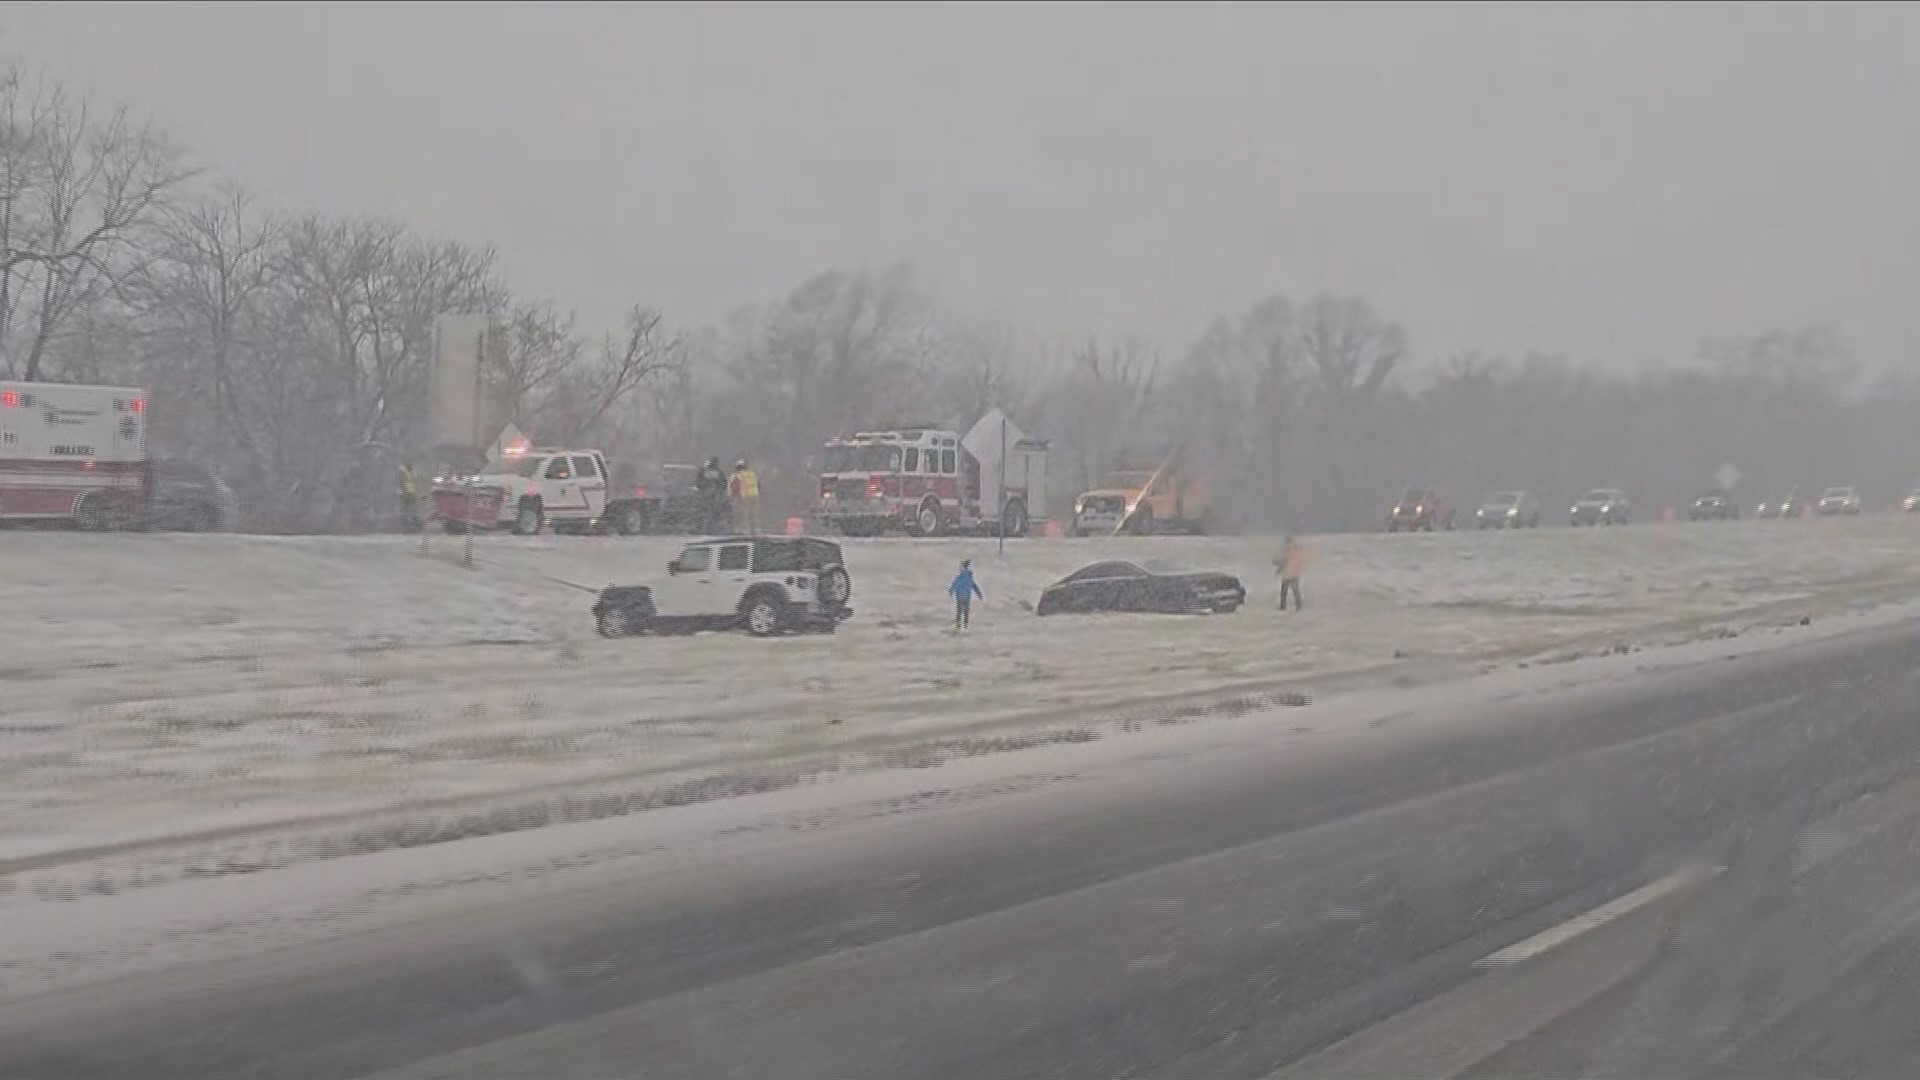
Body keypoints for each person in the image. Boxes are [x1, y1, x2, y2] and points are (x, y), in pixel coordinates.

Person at [729, 458, 761, 534]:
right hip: (754, 496)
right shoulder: (752, 474)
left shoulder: (737, 475)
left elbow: (735, 487)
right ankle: (755, 530)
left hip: (744, 496)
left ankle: (744, 530)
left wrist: (732, 498)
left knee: (743, 514)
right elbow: (758, 485)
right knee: (753, 514)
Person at [1275, 534, 1307, 611]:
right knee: (1296, 591)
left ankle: (1283, 606)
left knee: (1284, 592)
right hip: (1295, 573)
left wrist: (1278, 568)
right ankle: (1299, 605)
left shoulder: (1287, 550)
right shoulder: (1296, 549)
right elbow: (1299, 561)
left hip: (1287, 574)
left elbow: (1284, 561)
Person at [949, 558, 983, 630]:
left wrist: (951, 591)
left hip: (960, 596)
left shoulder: (960, 577)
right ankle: (965, 624)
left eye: (960, 567)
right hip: (967, 596)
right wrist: (979, 594)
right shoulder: (969, 577)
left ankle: (958, 624)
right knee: (966, 611)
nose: (959, 568)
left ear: (964, 568)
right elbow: (975, 586)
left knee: (959, 610)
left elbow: (955, 584)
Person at [697, 456, 728, 531]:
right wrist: (721, 490)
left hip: (707, 493)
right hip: (713, 493)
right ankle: (710, 525)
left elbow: (699, 480)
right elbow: (724, 482)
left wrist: (700, 487)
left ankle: (707, 525)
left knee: (707, 510)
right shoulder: (717, 471)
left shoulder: (705, 470)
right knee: (713, 510)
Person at [397, 462, 421, 531]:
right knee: (406, 508)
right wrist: (401, 491)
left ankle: (414, 521)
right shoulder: (403, 471)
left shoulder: (412, 472)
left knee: (413, 507)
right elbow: (401, 482)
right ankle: (405, 522)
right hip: (406, 493)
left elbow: (414, 482)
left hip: (411, 493)